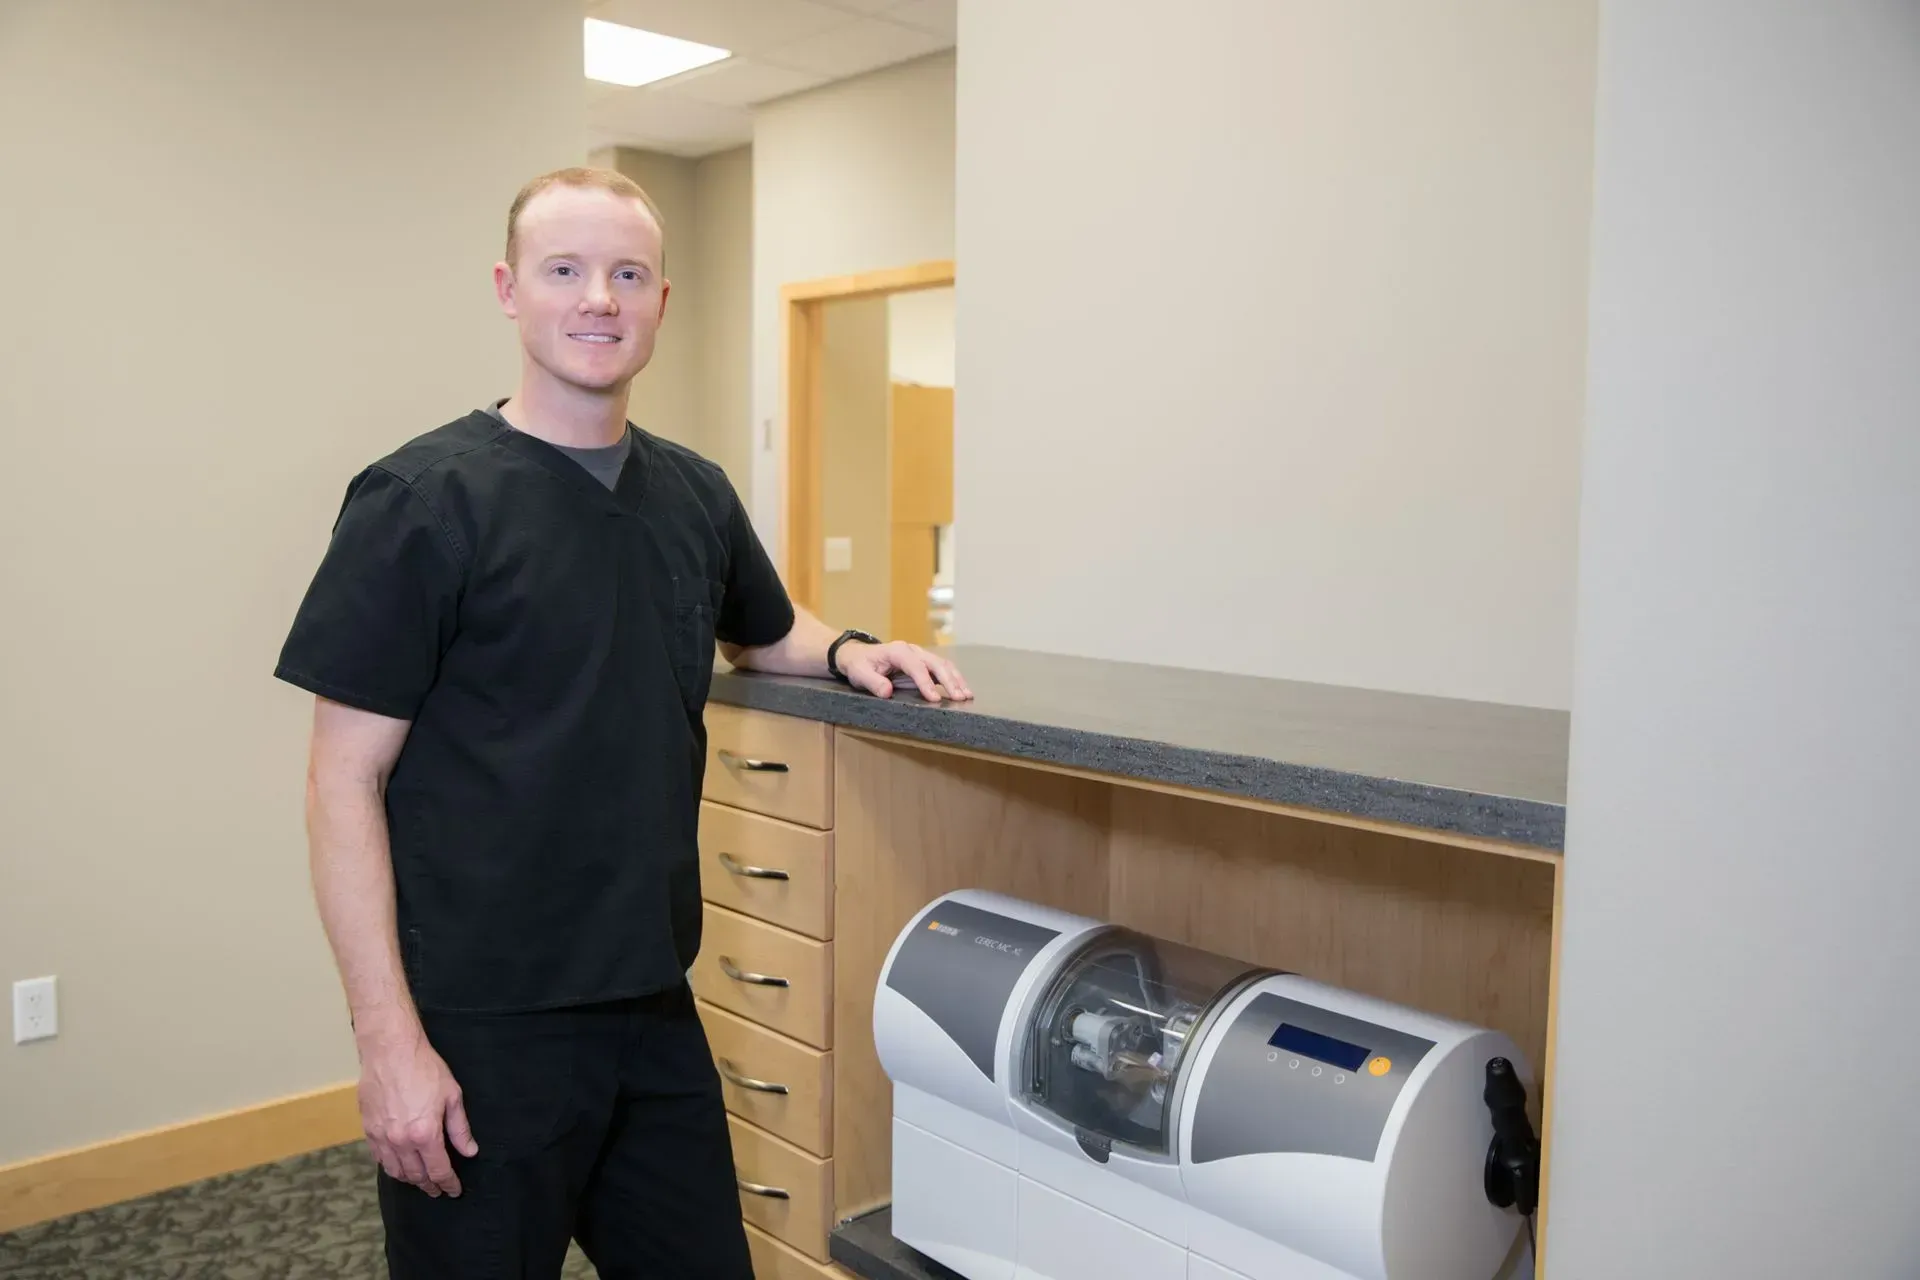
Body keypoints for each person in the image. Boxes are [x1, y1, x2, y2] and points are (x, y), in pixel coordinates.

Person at [274, 166, 971, 1279]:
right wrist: (388, 1044)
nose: (598, 297)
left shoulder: (691, 493)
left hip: (651, 1005)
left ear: (660, 299)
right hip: (479, 1026)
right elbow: (339, 783)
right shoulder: (420, 502)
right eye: (565, 270)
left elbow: (766, 628)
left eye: (628, 273)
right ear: (510, 289)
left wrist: (848, 649)